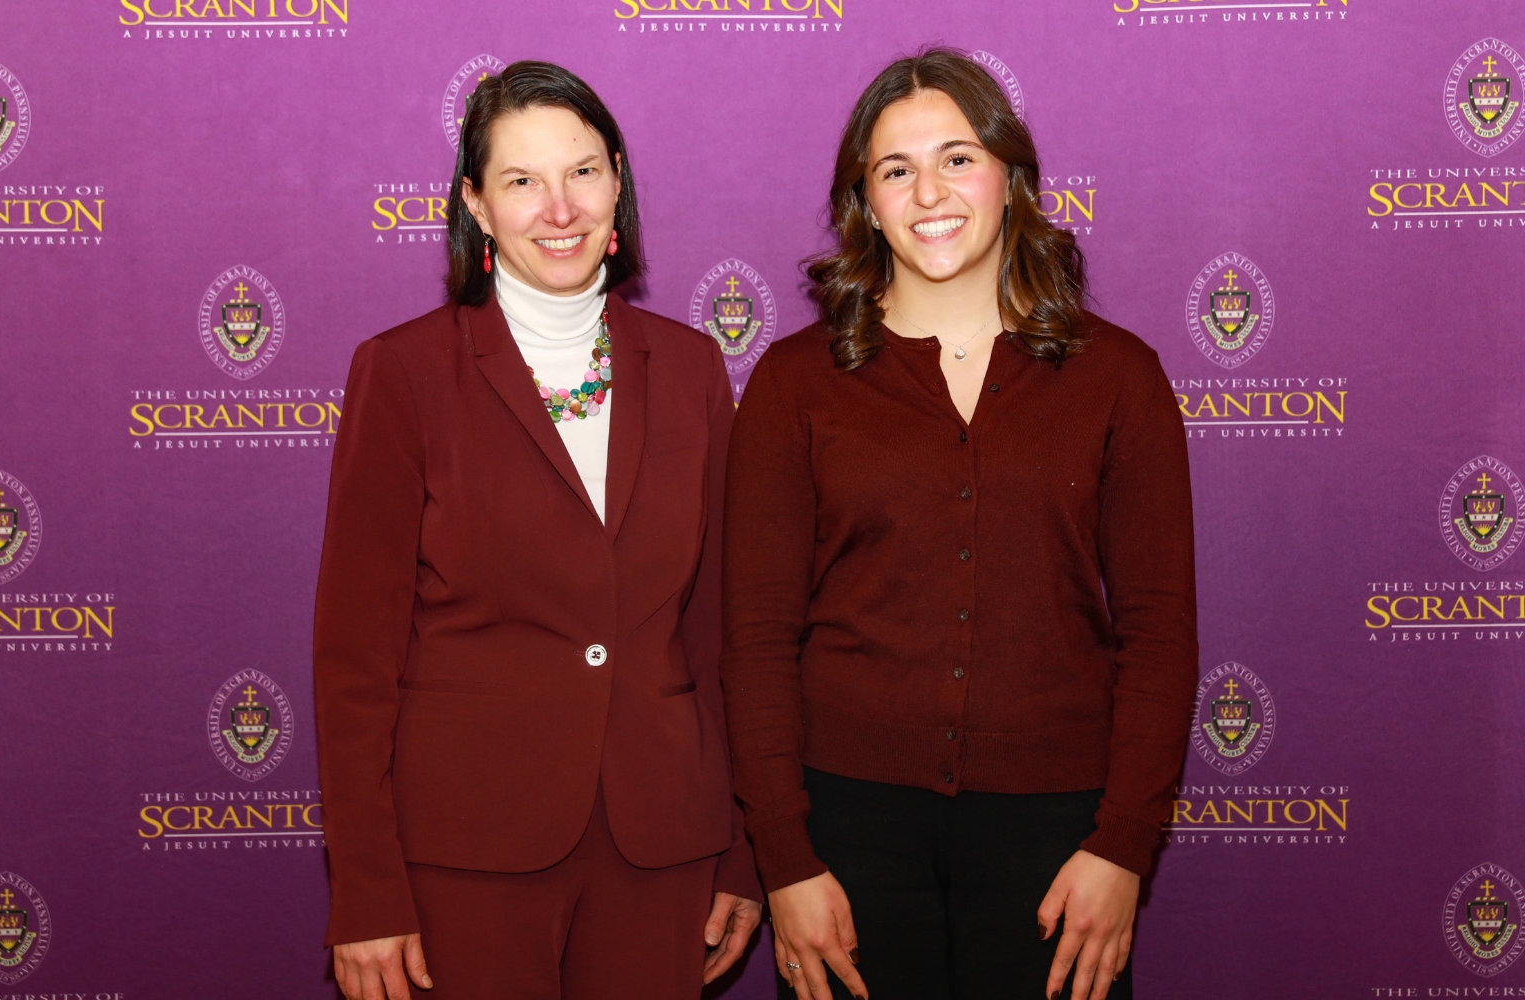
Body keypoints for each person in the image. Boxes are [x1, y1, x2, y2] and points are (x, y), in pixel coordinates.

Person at [720, 48, 1197, 1000]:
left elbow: (1157, 635)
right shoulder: (794, 382)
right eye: (897, 169)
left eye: (958, 158)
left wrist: (1123, 846)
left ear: (1011, 178)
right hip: (844, 837)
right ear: (866, 200)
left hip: (1060, 839)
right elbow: (757, 639)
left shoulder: (1118, 378)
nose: (929, 191)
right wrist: (784, 858)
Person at [313, 60, 760, 1000]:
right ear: (476, 204)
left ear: (619, 181)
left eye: (583, 173)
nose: (559, 208)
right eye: (522, 181)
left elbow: (721, 632)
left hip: (662, 843)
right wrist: (365, 890)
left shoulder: (689, 370)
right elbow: (355, 659)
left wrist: (742, 852)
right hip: (465, 852)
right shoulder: (403, 375)